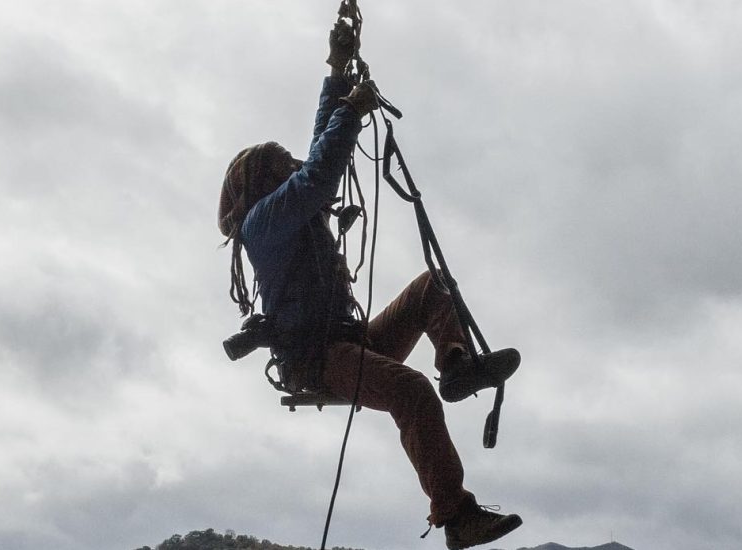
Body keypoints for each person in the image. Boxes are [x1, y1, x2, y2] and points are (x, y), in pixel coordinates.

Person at [217, 19, 522, 550]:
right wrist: (353, 112)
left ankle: (456, 364)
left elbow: (316, 151)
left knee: (431, 286)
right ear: (262, 183)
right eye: (279, 165)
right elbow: (317, 172)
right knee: (410, 392)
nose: (291, 165)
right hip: (315, 357)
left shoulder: (285, 207)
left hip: (348, 341)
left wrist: (337, 70)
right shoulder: (265, 222)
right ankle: (456, 516)